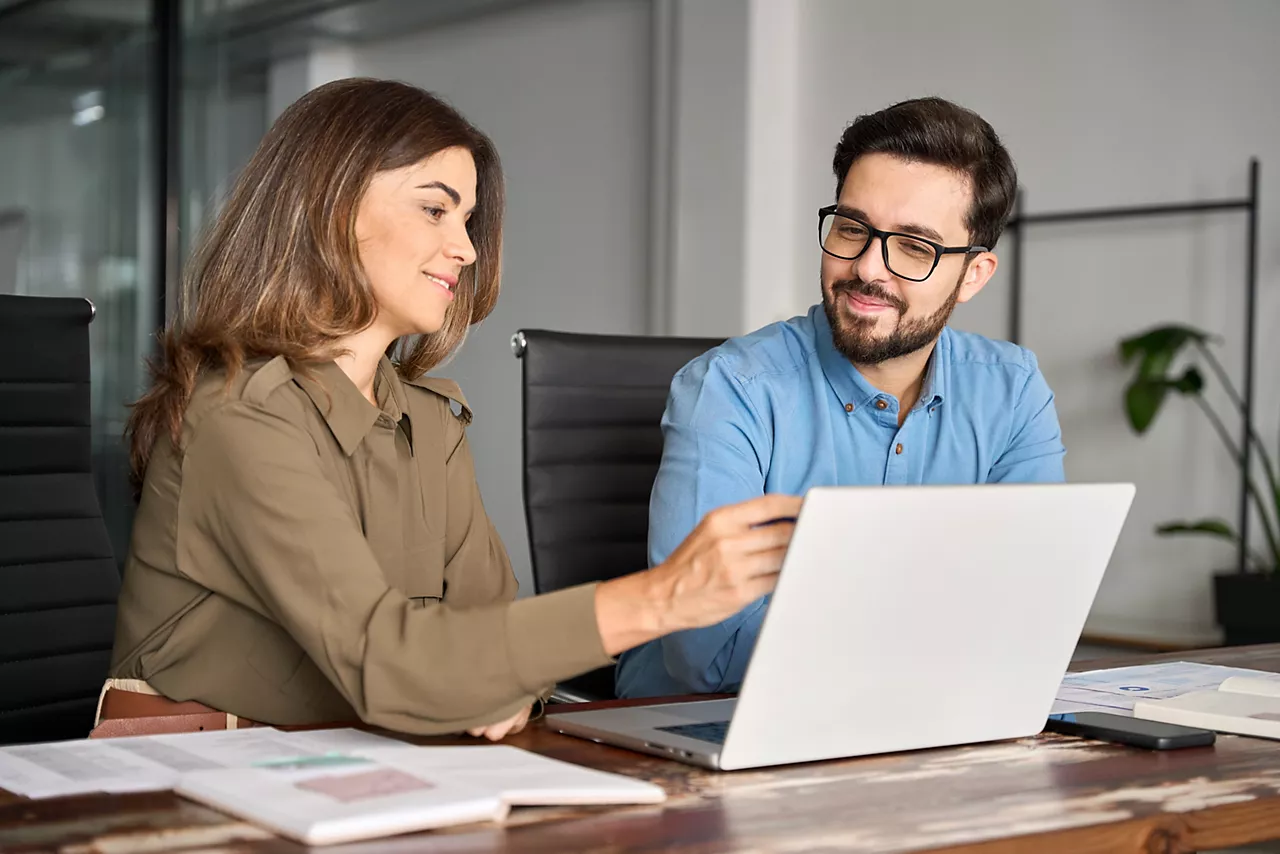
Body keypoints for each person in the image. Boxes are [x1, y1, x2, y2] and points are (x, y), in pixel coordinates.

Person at [106, 78, 799, 740]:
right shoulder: (238, 415)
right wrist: (661, 598)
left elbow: (493, 640)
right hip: (197, 780)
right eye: (435, 209)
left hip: (365, 766)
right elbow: (393, 662)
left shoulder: (428, 421)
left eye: (468, 219)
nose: (466, 248)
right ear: (328, 206)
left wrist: (486, 677)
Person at [615, 97, 1065, 699]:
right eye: (852, 228)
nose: (868, 269)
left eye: (914, 246)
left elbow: (1032, 615)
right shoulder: (728, 390)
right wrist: (940, 626)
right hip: (702, 731)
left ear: (974, 276)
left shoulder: (1012, 392)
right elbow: (708, 652)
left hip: (924, 726)